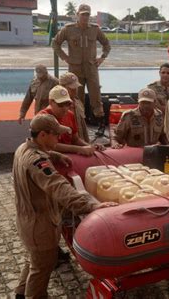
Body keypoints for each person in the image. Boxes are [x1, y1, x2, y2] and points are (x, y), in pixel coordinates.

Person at [12, 113, 117, 298]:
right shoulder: (37, 161)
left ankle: (20, 293)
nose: (59, 138)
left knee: (34, 260)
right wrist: (90, 205)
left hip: (26, 219)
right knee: (42, 268)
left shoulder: (23, 148)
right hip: (40, 224)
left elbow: (39, 154)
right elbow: (58, 187)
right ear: (43, 135)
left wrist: (56, 154)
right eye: (55, 134)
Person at [52, 3, 111, 136]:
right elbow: (55, 43)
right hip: (75, 69)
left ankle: (101, 126)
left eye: (87, 14)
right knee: (77, 98)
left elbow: (106, 44)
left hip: (91, 68)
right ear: (77, 15)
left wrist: (102, 57)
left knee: (95, 96)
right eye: (82, 14)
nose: (85, 17)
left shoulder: (95, 29)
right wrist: (65, 57)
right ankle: (79, 125)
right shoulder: (68, 29)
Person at [38, 85, 95, 156]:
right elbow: (50, 145)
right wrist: (79, 149)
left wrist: (90, 147)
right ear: (51, 102)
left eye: (67, 104)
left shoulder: (70, 115)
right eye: (61, 104)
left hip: (71, 157)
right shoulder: (42, 118)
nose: (65, 108)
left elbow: (75, 140)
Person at [59, 72, 90, 143]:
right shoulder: (58, 106)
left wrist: (88, 144)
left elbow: (83, 127)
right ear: (62, 87)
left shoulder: (78, 102)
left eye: (76, 87)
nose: (75, 90)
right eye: (72, 88)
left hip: (81, 144)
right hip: (68, 147)